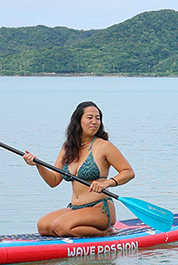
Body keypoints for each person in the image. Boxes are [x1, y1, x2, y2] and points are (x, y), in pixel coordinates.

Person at [24, 101, 136, 236]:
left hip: (100, 208)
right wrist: (38, 164)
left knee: (62, 227)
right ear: (78, 120)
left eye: (98, 118)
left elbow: (128, 172)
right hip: (75, 208)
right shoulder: (68, 148)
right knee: (43, 226)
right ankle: (85, 230)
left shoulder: (104, 146)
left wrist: (107, 182)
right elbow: (53, 181)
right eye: (90, 117)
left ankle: (106, 232)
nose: (95, 122)